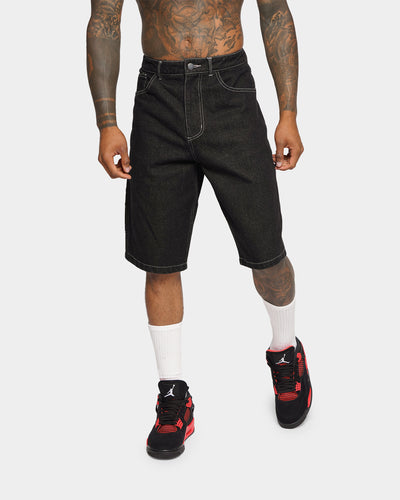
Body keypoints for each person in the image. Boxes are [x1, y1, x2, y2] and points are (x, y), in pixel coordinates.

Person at [86, 0, 312, 460]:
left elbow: (274, 12)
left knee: (267, 252)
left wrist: (288, 112)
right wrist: (107, 124)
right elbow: (105, 18)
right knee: (159, 261)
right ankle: (173, 396)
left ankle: (285, 350)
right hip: (158, 96)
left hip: (230, 89)